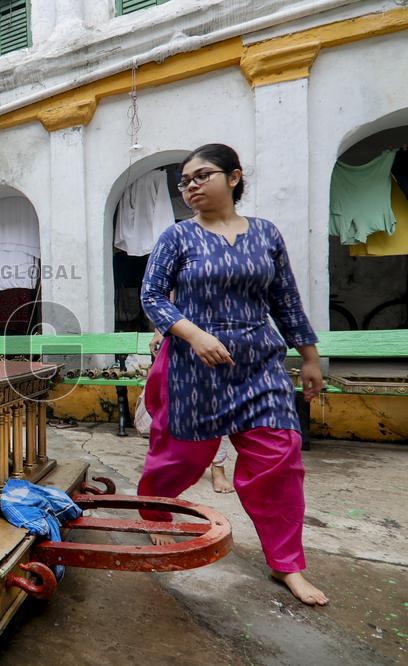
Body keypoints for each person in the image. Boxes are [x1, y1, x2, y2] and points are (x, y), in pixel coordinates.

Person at [137, 144, 328, 605]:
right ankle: (155, 513)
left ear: (234, 177)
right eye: (185, 181)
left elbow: (285, 299)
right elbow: (153, 296)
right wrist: (194, 335)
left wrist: (309, 356)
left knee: (279, 458)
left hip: (259, 361)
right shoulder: (177, 237)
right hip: (193, 365)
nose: (191, 186)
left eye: (203, 175)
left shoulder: (265, 234)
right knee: (181, 459)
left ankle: (288, 564)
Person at [149, 330, 234, 493]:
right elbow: (165, 303)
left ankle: (218, 467)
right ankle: (175, 460)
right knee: (175, 403)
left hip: (220, 334)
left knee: (220, 404)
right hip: (182, 338)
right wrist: (159, 331)